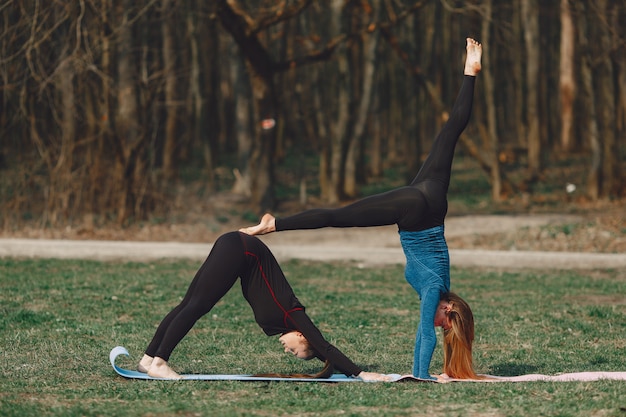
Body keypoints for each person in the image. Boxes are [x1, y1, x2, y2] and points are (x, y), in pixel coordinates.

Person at [240, 38, 484, 381]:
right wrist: (419, 376)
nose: (436, 322)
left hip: (431, 203)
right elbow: (424, 334)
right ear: (450, 308)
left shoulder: (443, 283)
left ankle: (469, 72)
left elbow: (438, 331)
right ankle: (273, 224)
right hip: (414, 213)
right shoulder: (433, 291)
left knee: (449, 133)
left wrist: (446, 368)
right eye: (444, 320)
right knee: (338, 216)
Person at [137, 231, 391, 381]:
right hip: (241, 249)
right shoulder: (294, 313)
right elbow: (323, 345)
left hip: (238, 249)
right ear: (302, 336)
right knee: (196, 305)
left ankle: (148, 360)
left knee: (191, 304)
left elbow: (321, 351)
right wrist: (360, 373)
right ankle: (160, 363)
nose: (287, 352)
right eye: (295, 351)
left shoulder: (283, 322)